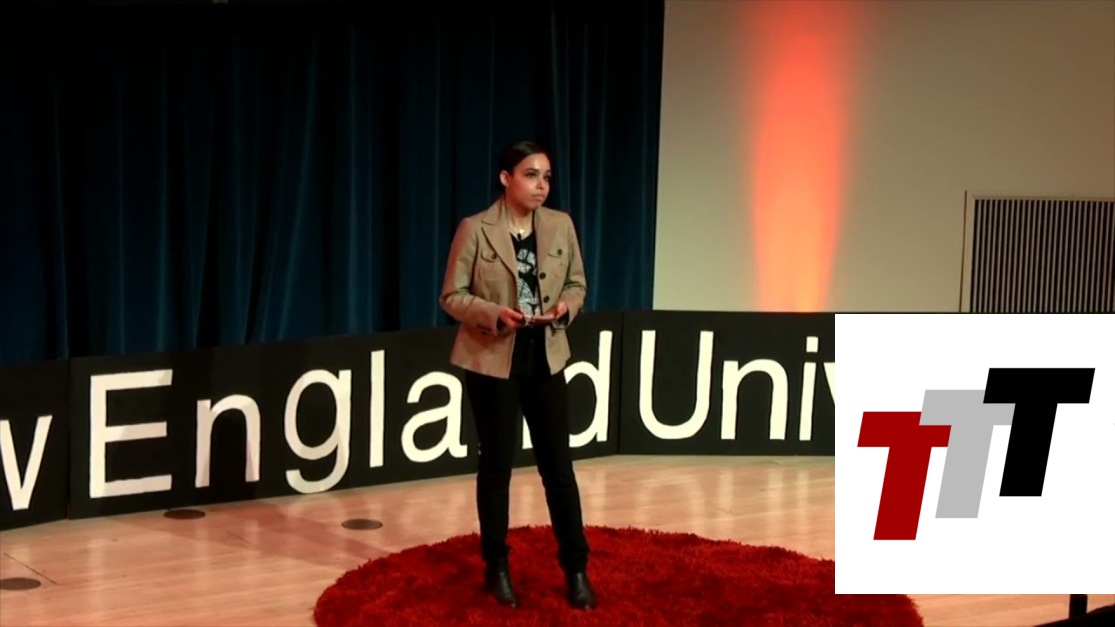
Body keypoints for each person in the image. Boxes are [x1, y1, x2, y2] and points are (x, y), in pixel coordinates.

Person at [439, 140, 596, 610]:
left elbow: (577, 283)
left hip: (545, 357)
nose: (541, 186)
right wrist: (493, 314)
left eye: (546, 177)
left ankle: (576, 569)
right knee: (496, 467)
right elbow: (452, 296)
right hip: (493, 360)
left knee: (558, 468)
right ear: (506, 178)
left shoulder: (560, 225)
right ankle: (497, 568)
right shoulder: (475, 229)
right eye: (531, 175)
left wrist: (566, 306)